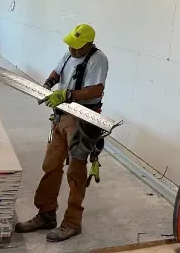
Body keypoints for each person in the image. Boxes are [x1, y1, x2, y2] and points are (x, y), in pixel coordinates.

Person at [15, 24, 109, 242]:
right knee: (51, 166)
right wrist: (48, 84)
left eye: (77, 47)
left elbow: (96, 90)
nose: (73, 51)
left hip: (83, 122)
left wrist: (67, 93)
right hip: (60, 117)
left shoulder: (98, 59)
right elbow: (57, 71)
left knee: (75, 173)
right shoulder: (69, 54)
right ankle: (46, 214)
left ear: (89, 44)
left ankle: (72, 222)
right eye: (70, 46)